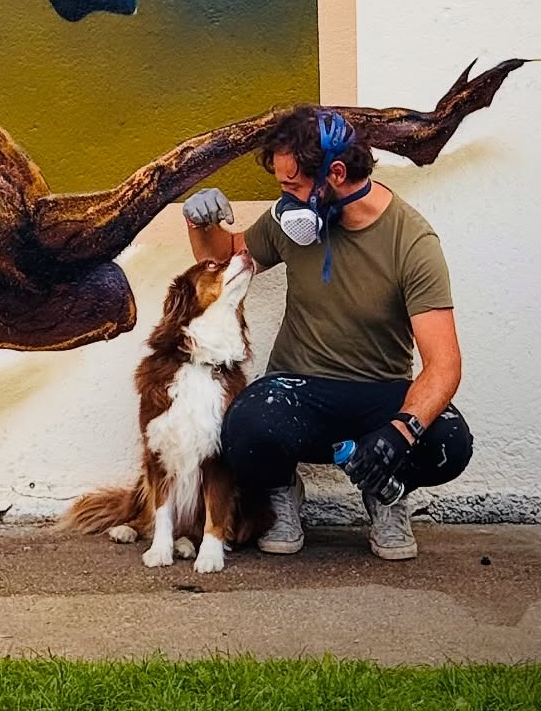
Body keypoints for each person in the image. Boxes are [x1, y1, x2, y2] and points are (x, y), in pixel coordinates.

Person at [183, 105, 472, 561]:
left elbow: (444, 364)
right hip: (298, 386)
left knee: (448, 442)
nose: (286, 198)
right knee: (244, 428)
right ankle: (282, 494)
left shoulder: (412, 242)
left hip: (379, 393)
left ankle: (387, 492)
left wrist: (400, 432)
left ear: (335, 174)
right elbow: (229, 256)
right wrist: (202, 223)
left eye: (292, 186)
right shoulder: (289, 220)